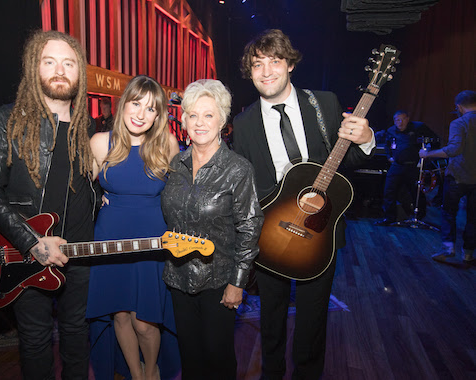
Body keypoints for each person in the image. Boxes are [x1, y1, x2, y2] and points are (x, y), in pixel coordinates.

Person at [233, 29, 375, 380]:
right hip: (271, 231)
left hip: (320, 228)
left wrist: (367, 139)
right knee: (271, 315)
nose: (266, 71)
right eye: (257, 64)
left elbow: (348, 162)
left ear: (291, 64)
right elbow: (247, 186)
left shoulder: (324, 103)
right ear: (249, 71)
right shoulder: (243, 122)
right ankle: (272, 372)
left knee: (313, 316)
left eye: (275, 61)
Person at [0, 30, 96, 380]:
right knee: (36, 338)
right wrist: (31, 241)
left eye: (68, 63)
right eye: (50, 62)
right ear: (33, 68)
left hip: (80, 251)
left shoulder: (87, 127)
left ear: (79, 73)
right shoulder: (6, 121)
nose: (60, 70)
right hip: (25, 252)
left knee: (76, 332)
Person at [162, 79, 264, 379]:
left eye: (208, 115)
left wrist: (238, 282)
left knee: (217, 358)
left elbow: (250, 227)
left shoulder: (238, 169)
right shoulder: (175, 164)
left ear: (222, 120)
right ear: (184, 120)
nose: (200, 122)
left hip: (219, 281)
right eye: (193, 115)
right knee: (190, 358)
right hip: (178, 277)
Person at [87, 75, 180, 380]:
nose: (141, 114)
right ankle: (136, 374)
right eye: (135, 103)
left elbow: (180, 196)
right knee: (120, 314)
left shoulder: (167, 145)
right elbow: (83, 191)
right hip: (110, 238)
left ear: (158, 115)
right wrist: (97, 200)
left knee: (145, 321)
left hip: (153, 242)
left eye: (150, 108)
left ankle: (152, 370)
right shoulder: (101, 143)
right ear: (123, 103)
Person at [419, 90, 476, 263]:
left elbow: (454, 149)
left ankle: (448, 249)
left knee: (449, 213)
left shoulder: (459, 123)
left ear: (458, 106)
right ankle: (468, 254)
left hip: (458, 176)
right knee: (473, 217)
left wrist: (427, 154)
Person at [375, 110, 439, 225]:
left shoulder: (418, 127)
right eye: (397, 120)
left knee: (416, 191)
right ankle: (389, 218)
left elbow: (435, 139)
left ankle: (419, 216)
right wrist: (389, 156)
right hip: (397, 165)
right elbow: (387, 145)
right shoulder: (391, 130)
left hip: (413, 166)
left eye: (402, 119)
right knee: (389, 191)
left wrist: (428, 153)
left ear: (408, 119)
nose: (400, 122)